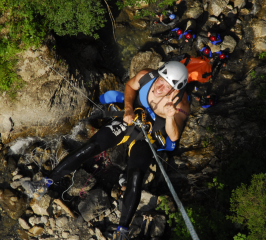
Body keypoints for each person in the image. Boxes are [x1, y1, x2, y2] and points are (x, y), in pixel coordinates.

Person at [22, 61, 190, 240]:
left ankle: (122, 230)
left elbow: (173, 137)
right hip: (129, 121)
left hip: (146, 136)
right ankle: (44, 183)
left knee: (136, 177)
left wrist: (170, 117)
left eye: (166, 86)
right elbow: (130, 86)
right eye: (160, 79)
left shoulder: (181, 103)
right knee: (91, 146)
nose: (159, 86)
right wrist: (128, 108)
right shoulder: (147, 76)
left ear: (174, 90)